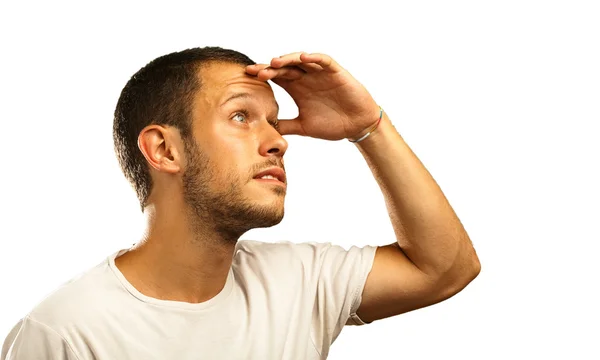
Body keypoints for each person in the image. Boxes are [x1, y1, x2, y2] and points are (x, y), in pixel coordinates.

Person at [2, 47, 480, 359]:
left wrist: (367, 126)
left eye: (274, 121)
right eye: (241, 116)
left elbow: (445, 268)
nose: (278, 142)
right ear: (165, 149)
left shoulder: (299, 282)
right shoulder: (64, 333)